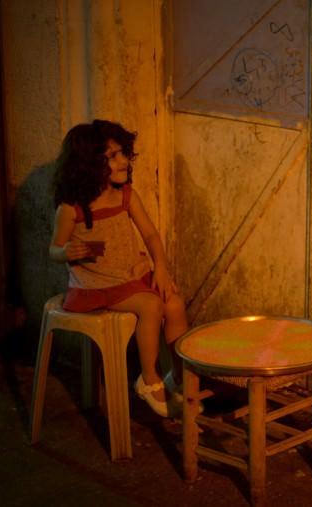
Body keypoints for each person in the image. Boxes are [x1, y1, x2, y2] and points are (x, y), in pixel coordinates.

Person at [49, 120, 188, 418]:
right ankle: (148, 379)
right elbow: (54, 249)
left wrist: (160, 268)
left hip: (129, 273)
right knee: (151, 305)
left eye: (123, 153)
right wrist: (65, 252)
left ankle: (178, 378)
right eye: (112, 156)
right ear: (88, 164)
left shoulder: (125, 195)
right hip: (96, 284)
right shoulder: (71, 208)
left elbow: (150, 234)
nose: (123, 161)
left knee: (174, 302)